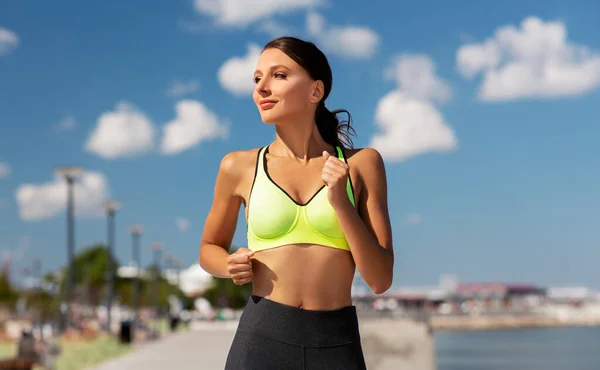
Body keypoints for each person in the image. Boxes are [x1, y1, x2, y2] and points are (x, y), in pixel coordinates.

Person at [199, 36, 394, 370]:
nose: (261, 88)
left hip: (336, 344)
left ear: (315, 91)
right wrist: (227, 265)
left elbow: (379, 279)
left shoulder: (362, 164)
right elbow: (208, 248)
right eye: (257, 78)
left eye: (279, 75)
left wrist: (341, 204)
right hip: (261, 340)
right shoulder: (238, 166)